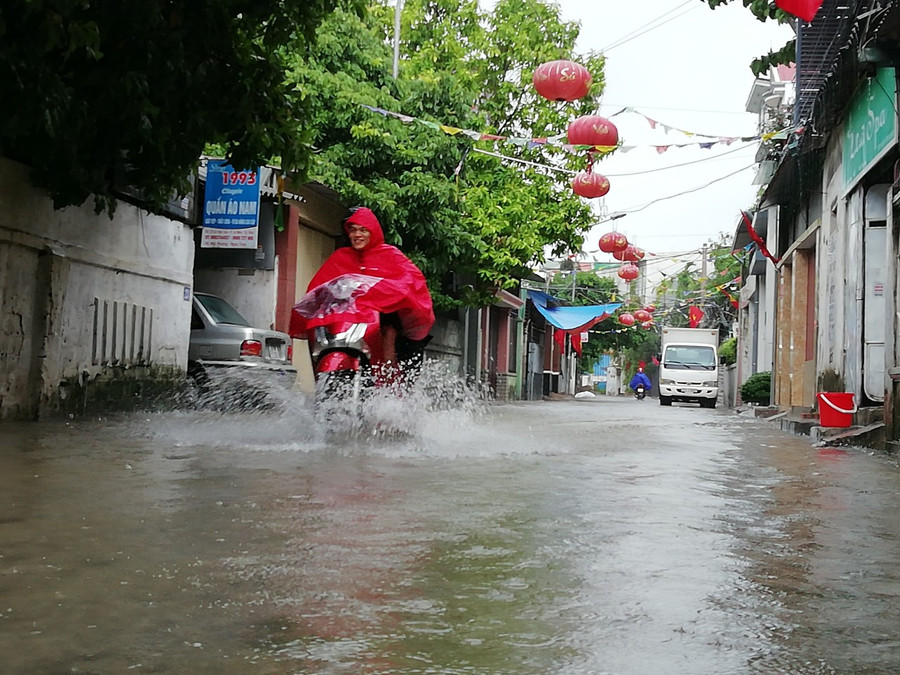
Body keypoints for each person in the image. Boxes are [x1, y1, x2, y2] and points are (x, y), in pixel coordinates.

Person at [306, 206, 434, 364]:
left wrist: (386, 291)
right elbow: (319, 286)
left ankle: (388, 376)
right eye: (353, 230)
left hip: (382, 315)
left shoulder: (390, 254)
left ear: (373, 232)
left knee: (389, 331)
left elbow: (411, 280)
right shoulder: (340, 256)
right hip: (346, 318)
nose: (357, 235)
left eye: (363, 230)